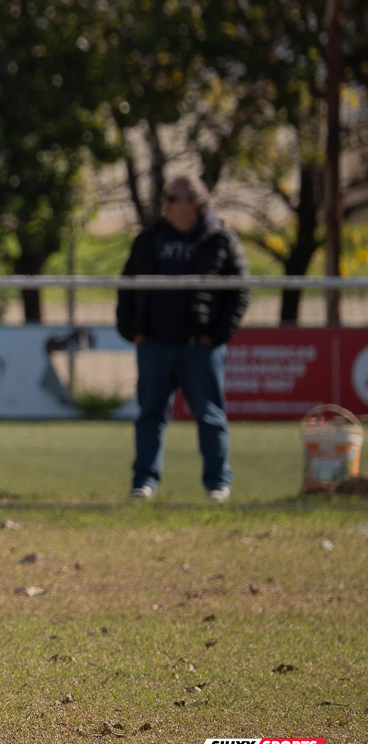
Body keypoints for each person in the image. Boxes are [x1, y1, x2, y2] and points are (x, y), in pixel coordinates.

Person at [116, 175, 250, 503]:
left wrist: (215, 337)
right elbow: (127, 284)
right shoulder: (149, 238)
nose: (166, 204)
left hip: (198, 348)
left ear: (195, 203)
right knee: (150, 414)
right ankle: (143, 483)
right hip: (154, 344)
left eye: (173, 198)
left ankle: (218, 485)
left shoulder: (221, 239)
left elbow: (240, 292)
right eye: (165, 198)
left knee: (210, 416)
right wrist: (131, 330)